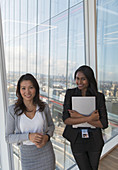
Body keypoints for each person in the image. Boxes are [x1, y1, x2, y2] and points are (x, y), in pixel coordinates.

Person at [62, 65, 108, 170]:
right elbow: (66, 119)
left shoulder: (99, 97)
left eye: (83, 79)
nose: (79, 82)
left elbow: (104, 124)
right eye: (77, 79)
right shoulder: (70, 94)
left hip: (94, 140)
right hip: (76, 139)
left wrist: (77, 116)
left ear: (89, 79)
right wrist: (90, 118)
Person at [5, 73, 55, 170]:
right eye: (23, 88)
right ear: (19, 90)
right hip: (27, 156)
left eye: (31, 87)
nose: (27, 91)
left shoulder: (43, 107)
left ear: (36, 89)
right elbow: (8, 138)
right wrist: (28, 136)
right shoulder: (12, 110)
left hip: (46, 152)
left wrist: (47, 137)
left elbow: (51, 126)